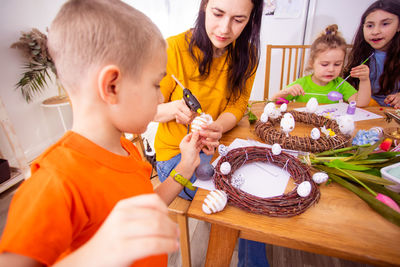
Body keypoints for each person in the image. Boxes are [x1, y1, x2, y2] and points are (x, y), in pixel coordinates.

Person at [0, 0, 202, 266]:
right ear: (112, 86)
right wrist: (98, 253)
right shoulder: (56, 180)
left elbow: (143, 209)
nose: (162, 95)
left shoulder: (127, 150)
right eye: (156, 84)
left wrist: (185, 168)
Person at [153, 0, 269, 266]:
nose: (224, 28)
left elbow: (238, 104)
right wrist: (169, 108)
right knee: (242, 200)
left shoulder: (247, 54)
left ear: (251, 19)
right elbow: (143, 110)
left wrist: (218, 126)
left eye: (239, 20)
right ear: (204, 6)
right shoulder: (173, 49)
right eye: (218, 13)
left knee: (253, 185)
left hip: (218, 148)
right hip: (177, 158)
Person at [271, 24, 371, 107]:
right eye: (324, 64)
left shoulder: (340, 84)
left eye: (337, 64)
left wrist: (365, 80)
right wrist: (287, 91)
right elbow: (273, 101)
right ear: (311, 63)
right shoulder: (302, 83)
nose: (331, 69)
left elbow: (360, 104)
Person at [345, 0, 400, 108]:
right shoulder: (360, 54)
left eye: (385, 24)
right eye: (370, 25)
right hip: (365, 109)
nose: (375, 31)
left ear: (398, 26)